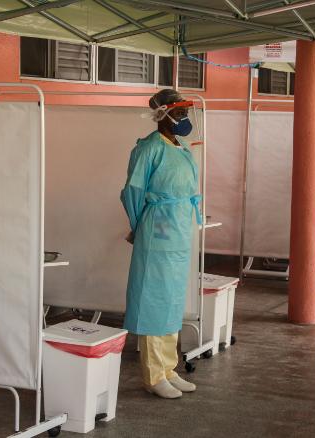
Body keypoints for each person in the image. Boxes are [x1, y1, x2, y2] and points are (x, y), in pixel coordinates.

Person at [121, 89, 200, 399]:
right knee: (154, 301)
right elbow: (132, 192)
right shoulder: (148, 149)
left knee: (171, 301)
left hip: (178, 232)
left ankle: (168, 368)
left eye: (184, 112)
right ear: (161, 115)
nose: (184, 118)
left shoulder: (180, 147)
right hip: (157, 231)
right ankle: (153, 375)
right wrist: (139, 225)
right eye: (178, 112)